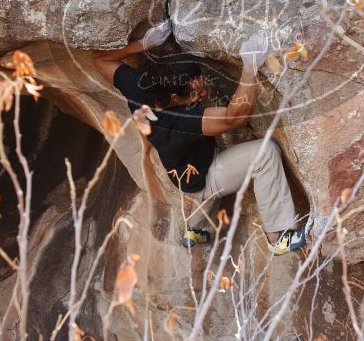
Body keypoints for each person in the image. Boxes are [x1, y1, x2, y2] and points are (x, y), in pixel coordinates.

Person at [92, 18, 306, 255]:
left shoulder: (141, 87)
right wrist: (249, 67)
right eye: (196, 93)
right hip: (203, 175)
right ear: (174, 98)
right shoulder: (181, 120)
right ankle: (279, 237)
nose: (203, 93)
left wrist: (143, 44)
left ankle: (197, 229)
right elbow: (236, 118)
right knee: (265, 153)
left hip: (182, 170)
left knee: (200, 168)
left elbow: (100, 59)